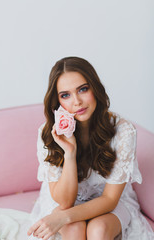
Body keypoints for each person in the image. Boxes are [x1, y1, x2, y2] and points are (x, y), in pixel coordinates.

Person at [27, 56, 154, 240]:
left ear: (95, 88)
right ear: (57, 101)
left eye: (83, 89)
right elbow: (65, 202)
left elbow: (110, 200)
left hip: (110, 204)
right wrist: (69, 153)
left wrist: (63, 217)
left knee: (98, 230)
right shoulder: (48, 134)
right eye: (66, 95)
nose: (77, 101)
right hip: (62, 203)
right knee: (74, 229)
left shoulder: (123, 131)